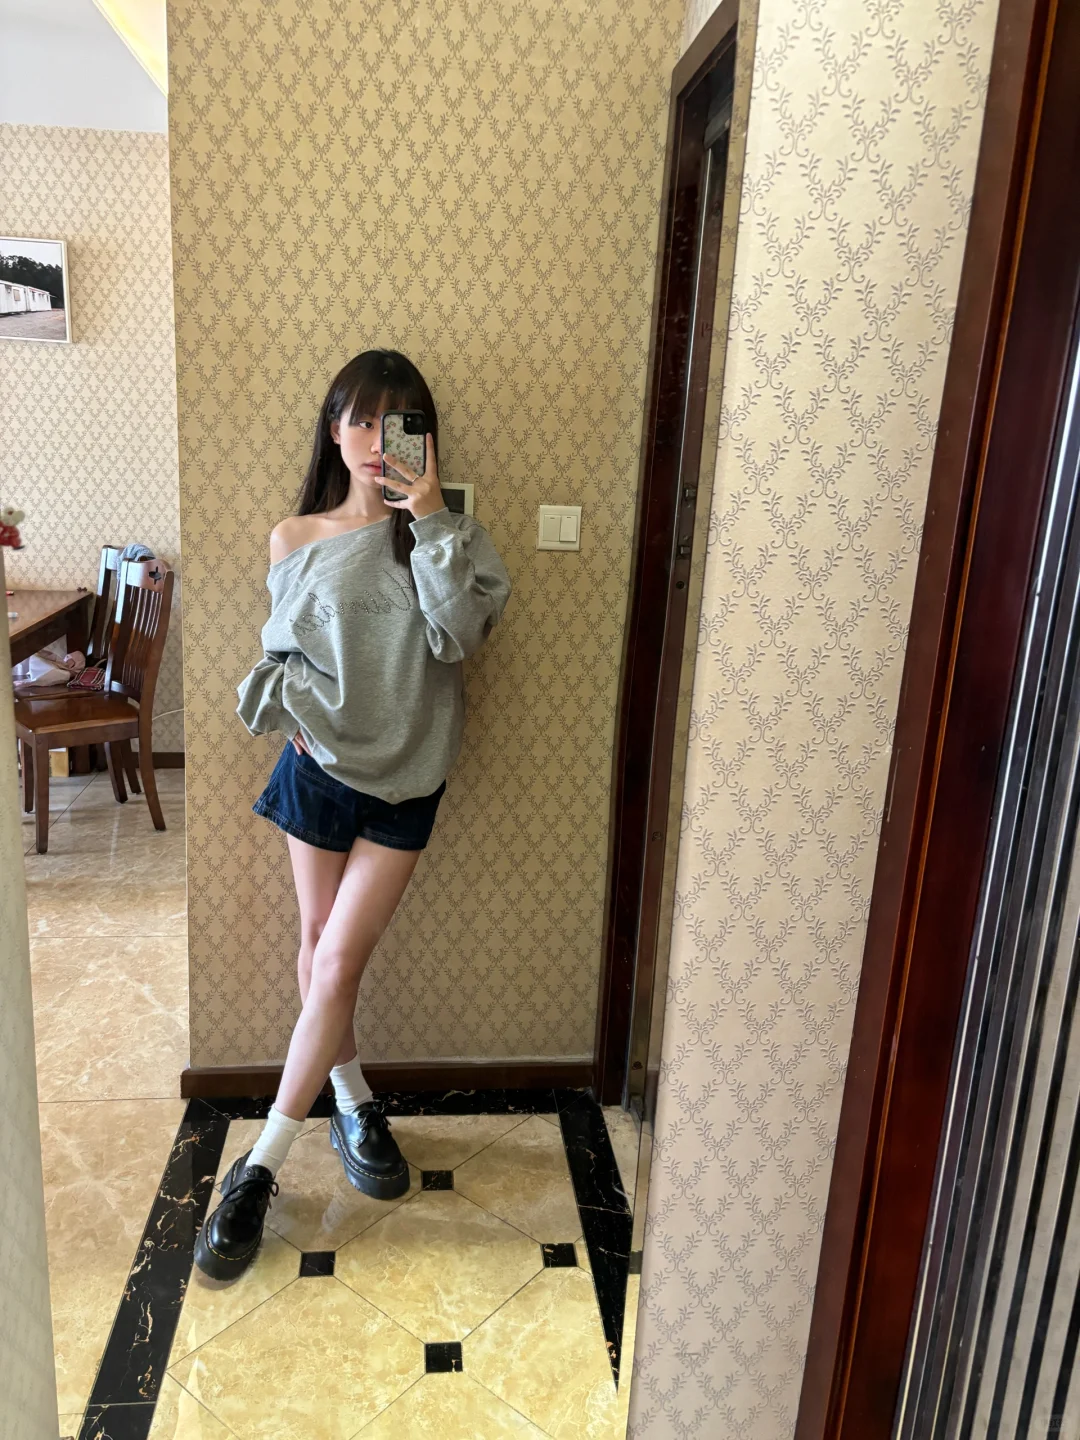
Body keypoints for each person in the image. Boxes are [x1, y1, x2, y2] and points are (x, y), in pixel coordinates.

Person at [194, 349, 512, 1279]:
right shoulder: (293, 536)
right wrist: (288, 707)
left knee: (337, 959)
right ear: (334, 430)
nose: (379, 440)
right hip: (318, 771)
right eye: (363, 420)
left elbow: (460, 638)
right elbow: (283, 646)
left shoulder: (451, 535)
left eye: (400, 422)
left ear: (426, 438)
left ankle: (258, 1166)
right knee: (317, 947)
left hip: (407, 778)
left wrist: (431, 516)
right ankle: (354, 1102)